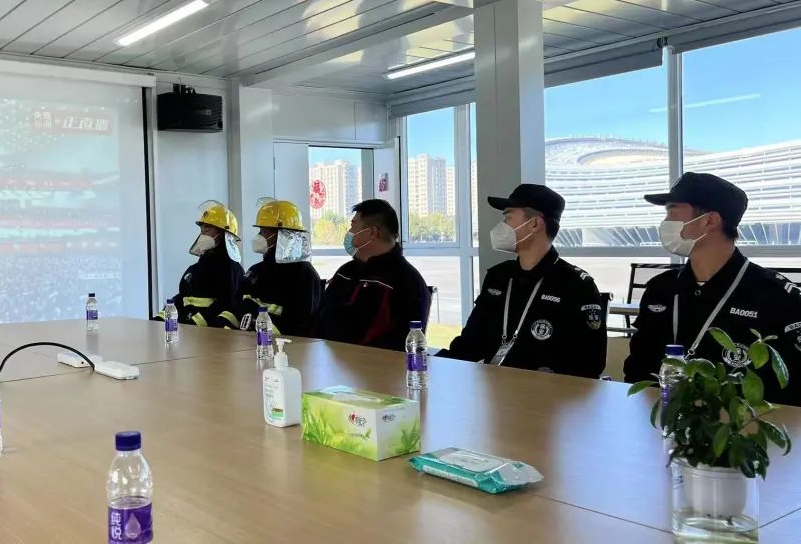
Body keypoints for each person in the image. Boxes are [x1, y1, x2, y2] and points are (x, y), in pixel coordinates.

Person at [623, 172, 801, 405]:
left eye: (672, 212)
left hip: (741, 424)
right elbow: (636, 370)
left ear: (710, 220)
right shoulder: (661, 289)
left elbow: (793, 388)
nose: (665, 222)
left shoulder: (775, 295)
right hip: (660, 418)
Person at [440, 184, 607, 378]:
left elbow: (589, 364)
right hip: (492, 388)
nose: (501, 225)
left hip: (544, 393)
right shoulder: (498, 277)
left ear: (534, 224)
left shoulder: (576, 285)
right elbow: (470, 344)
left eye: (508, 218)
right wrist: (432, 364)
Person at [314, 199, 428, 351]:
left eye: (353, 226)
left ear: (372, 232)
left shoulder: (405, 282)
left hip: (372, 362)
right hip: (328, 356)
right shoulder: (346, 272)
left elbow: (401, 344)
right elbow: (320, 318)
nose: (349, 233)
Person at [236, 199, 322, 336]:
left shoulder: (304, 274)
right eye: (260, 230)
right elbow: (238, 306)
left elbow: (300, 324)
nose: (258, 236)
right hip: (250, 341)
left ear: (283, 234)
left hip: (283, 345)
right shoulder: (255, 270)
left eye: (264, 231)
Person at [158, 201, 245, 329]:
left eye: (208, 227)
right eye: (202, 227)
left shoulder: (232, 270)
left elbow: (228, 305)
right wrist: (162, 317)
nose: (203, 230)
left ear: (222, 233)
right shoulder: (193, 269)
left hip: (212, 336)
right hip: (188, 333)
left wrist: (196, 322)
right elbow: (182, 298)